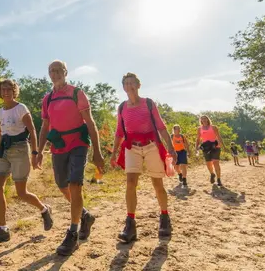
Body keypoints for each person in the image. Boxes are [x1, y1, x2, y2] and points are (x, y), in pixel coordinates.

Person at [36, 60, 105, 256]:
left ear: (66, 72)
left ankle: (72, 233)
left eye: (59, 70)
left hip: (78, 143)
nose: (55, 73)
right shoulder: (47, 99)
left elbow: (90, 123)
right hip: (58, 146)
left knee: (75, 184)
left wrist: (97, 153)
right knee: (62, 185)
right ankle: (85, 216)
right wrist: (38, 151)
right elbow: (44, 127)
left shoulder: (77, 93)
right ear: (49, 74)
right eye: (52, 71)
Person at [110, 73, 176, 243]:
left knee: (157, 184)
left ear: (138, 85)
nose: (129, 85)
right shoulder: (122, 107)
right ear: (123, 87)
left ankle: (164, 219)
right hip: (132, 147)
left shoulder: (148, 103)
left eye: (132, 83)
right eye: (126, 83)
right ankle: (130, 225)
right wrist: (114, 153)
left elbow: (161, 127)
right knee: (130, 183)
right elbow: (119, 131)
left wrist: (171, 148)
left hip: (151, 145)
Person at [0, 79, 53, 245]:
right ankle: (3, 229)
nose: (6, 92)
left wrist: (35, 153)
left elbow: (32, 130)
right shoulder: (0, 112)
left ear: (14, 91)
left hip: (20, 150)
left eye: (9, 89)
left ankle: (44, 210)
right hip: (4, 152)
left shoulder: (21, 108)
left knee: (21, 193)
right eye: (3, 89)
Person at [195, 115, 226, 187]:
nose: (204, 120)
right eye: (202, 119)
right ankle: (212, 174)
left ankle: (218, 179)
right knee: (208, 163)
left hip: (215, 146)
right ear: (201, 121)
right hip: (206, 147)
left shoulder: (214, 127)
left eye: (205, 118)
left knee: (216, 162)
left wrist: (223, 146)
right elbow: (198, 139)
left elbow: (218, 136)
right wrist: (196, 148)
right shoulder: (199, 129)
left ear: (208, 119)